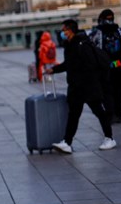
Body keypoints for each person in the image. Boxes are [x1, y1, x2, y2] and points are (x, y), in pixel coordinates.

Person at [46, 19, 115, 153]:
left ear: (70, 30)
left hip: (88, 86)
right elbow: (69, 64)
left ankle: (109, 138)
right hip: (76, 87)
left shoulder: (82, 44)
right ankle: (67, 142)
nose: (62, 33)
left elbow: (91, 64)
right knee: (73, 115)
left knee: (99, 112)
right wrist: (54, 70)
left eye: (64, 30)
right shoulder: (70, 44)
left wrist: (83, 78)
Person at [89, 8, 121, 122]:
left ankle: (111, 114)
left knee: (107, 92)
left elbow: (90, 51)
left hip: (105, 68)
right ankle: (119, 114)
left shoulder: (96, 34)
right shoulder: (120, 31)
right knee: (120, 91)